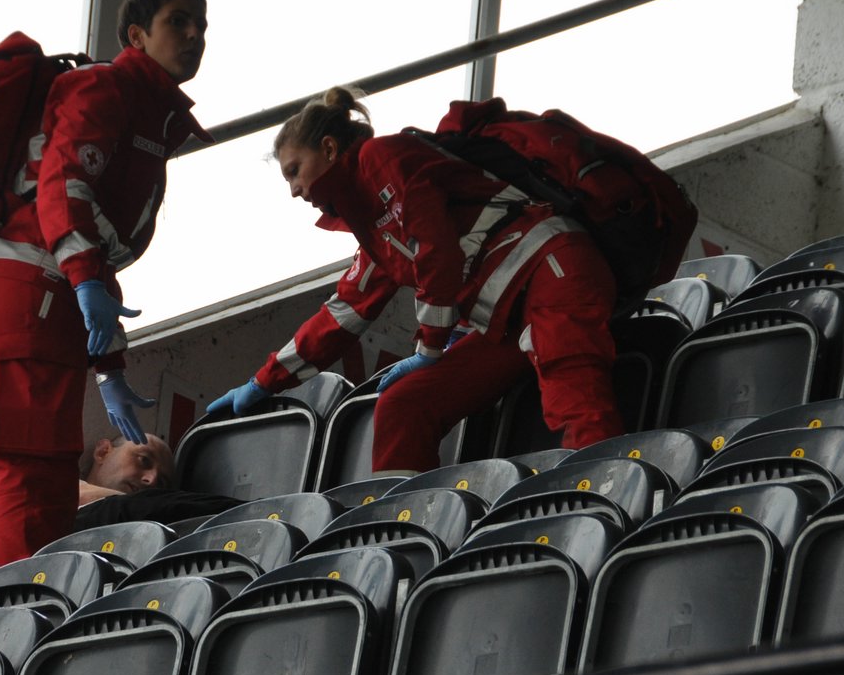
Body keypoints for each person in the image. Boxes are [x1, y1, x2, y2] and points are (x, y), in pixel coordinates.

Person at [0, 0, 210, 565]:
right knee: (35, 475)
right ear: (135, 33)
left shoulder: (146, 114)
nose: (194, 36)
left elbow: (89, 242)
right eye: (177, 21)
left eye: (201, 25)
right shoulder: (107, 91)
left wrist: (109, 368)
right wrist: (83, 281)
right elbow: (62, 190)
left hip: (19, 299)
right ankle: (16, 632)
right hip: (31, 295)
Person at [209, 87, 623, 474]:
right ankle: (400, 538)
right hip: (508, 318)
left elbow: (435, 247)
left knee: (574, 393)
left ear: (329, 149)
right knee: (404, 404)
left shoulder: (382, 158)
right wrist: (263, 382)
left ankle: (606, 501)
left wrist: (430, 346)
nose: (296, 191)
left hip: (555, 271)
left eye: (294, 172)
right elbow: (342, 315)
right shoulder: (371, 230)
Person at [73, 433, 245, 531]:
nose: (151, 479)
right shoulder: (59, 492)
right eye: (143, 460)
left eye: (162, 483)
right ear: (103, 452)